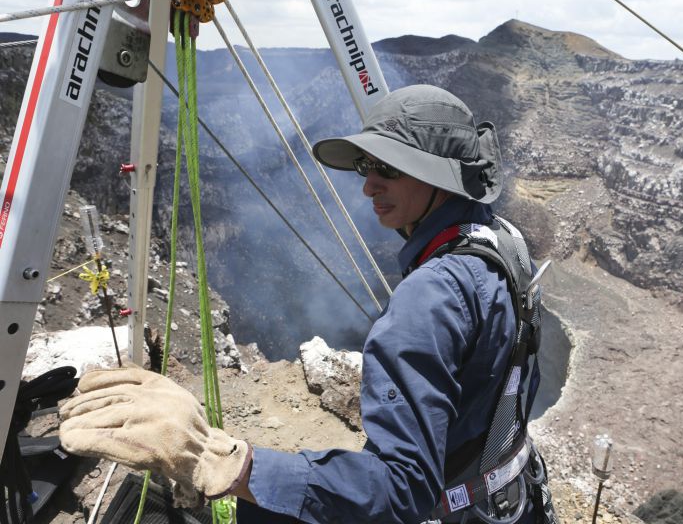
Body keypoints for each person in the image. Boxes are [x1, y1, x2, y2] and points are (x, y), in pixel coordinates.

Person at [59, 85, 559, 524]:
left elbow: (403, 491)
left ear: (436, 178)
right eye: (366, 165)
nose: (367, 184)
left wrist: (224, 462)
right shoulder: (504, 243)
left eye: (386, 168)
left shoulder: (429, 299)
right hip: (511, 501)